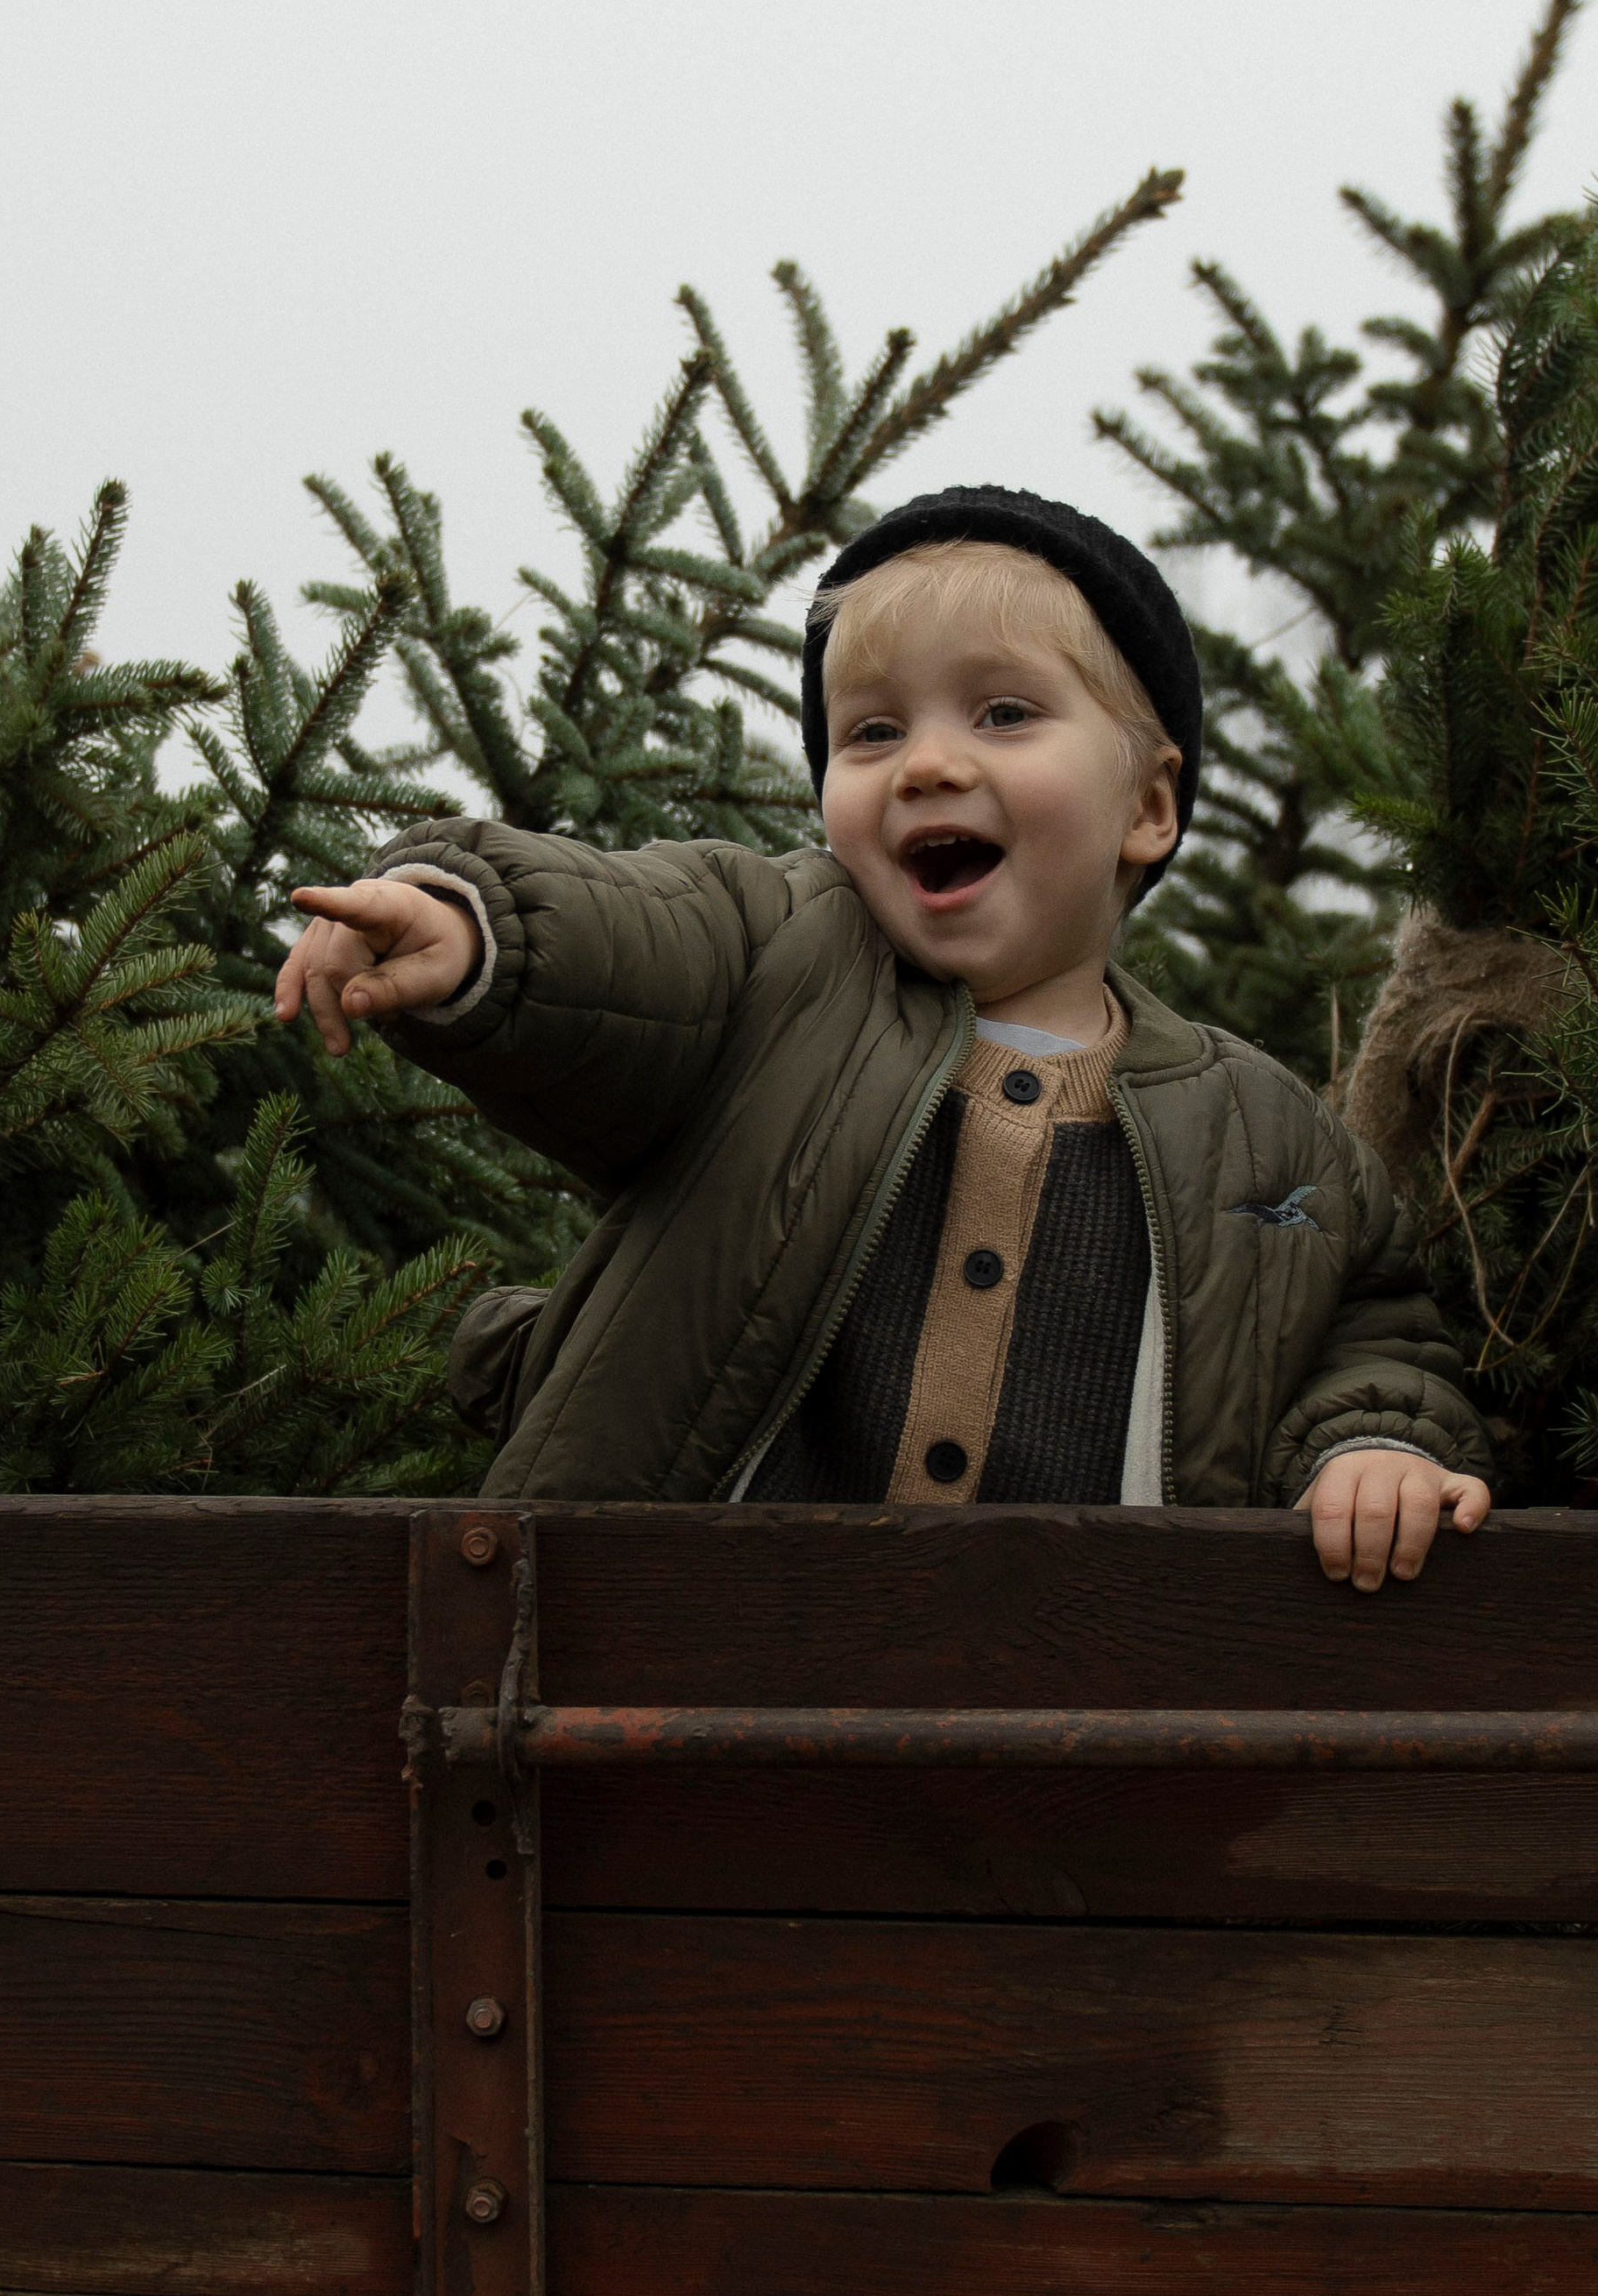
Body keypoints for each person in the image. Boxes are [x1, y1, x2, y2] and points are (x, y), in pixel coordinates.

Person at [274, 485, 1493, 1590]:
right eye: (870, 733)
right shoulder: (782, 959)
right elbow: (635, 941)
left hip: (1082, 1696)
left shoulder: (1262, 1132)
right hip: (697, 1657)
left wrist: (1373, 1446)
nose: (927, 764)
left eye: (1005, 712)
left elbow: (1367, 1328)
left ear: (1149, 804)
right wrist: (475, 926)